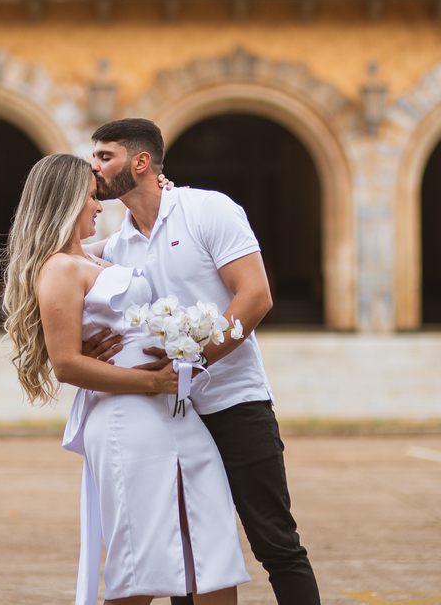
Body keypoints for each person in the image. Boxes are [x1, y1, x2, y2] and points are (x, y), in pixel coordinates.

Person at [84, 118, 322, 605]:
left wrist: (194, 362)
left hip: (235, 401)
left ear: (141, 162)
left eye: (105, 157)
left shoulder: (208, 209)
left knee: (274, 541)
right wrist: (88, 346)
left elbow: (255, 297)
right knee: (185, 547)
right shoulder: (117, 244)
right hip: (168, 416)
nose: (96, 168)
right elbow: (57, 266)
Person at [2, 153, 250, 605]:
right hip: (126, 419)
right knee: (145, 559)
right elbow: (66, 364)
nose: (100, 206)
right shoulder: (59, 268)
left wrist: (161, 189)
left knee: (210, 546)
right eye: (92, 198)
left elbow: (148, 239)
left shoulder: (97, 256)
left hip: (173, 413)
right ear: (66, 201)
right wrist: (155, 383)